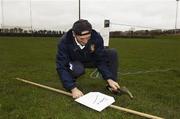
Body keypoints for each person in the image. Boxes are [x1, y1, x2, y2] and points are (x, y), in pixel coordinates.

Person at [56, 19, 120, 99]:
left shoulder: (97, 37)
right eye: (82, 39)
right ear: (74, 34)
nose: (85, 41)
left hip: (91, 60)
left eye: (88, 38)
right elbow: (61, 66)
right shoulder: (64, 42)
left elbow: (100, 60)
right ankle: (71, 84)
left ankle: (111, 85)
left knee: (112, 53)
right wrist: (73, 88)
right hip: (75, 62)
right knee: (78, 69)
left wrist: (109, 78)